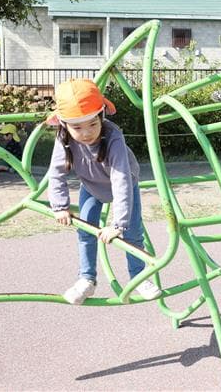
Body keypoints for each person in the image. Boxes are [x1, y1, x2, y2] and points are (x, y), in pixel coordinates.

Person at [46, 79, 162, 305]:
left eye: (92, 124)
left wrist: (118, 224)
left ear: (101, 117)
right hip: (91, 186)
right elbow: (56, 172)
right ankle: (87, 279)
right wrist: (60, 206)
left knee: (132, 233)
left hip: (125, 183)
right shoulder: (64, 138)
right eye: (77, 127)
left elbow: (121, 181)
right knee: (85, 230)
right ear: (64, 124)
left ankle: (139, 277)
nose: (86, 133)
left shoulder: (113, 137)